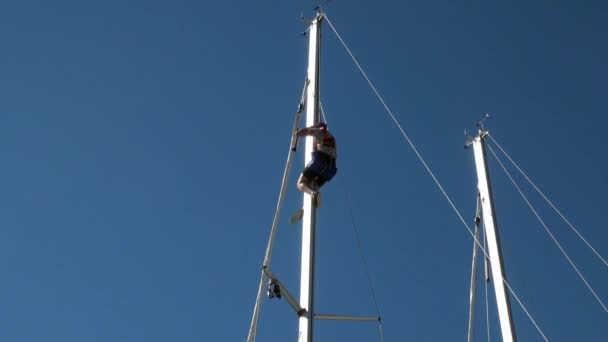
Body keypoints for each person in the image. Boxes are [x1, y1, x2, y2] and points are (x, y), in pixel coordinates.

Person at [295, 122, 337, 199]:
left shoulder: (319, 131)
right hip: (331, 168)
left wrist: (314, 126)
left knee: (300, 183)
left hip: (319, 161)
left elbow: (300, 133)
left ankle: (313, 194)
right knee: (315, 184)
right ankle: (315, 191)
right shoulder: (333, 138)